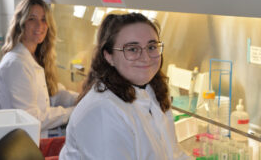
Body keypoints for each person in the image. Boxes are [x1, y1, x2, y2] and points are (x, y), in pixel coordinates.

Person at [59, 13, 190, 159]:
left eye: (152, 47)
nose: (146, 57)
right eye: (132, 49)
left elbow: (174, 154)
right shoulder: (102, 110)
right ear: (109, 56)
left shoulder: (153, 91)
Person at [0, 0, 77, 137]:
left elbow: (52, 92)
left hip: (25, 139)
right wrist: (73, 111)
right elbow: (32, 119)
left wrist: (77, 99)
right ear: (21, 24)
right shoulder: (17, 64)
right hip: (7, 144)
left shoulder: (35, 57)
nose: (39, 25)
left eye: (43, 19)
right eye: (32, 19)